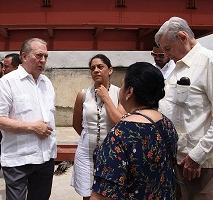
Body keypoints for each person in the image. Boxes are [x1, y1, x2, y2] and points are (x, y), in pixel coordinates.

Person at [90, 62, 178, 200]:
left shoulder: (120, 134)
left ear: (129, 92)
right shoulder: (167, 124)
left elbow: (103, 195)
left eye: (122, 85)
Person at [0, 38, 56, 200]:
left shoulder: (47, 83)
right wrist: (32, 127)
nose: (43, 60)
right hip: (18, 160)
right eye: (39, 55)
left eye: (46, 56)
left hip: (45, 158)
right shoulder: (7, 83)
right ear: (24, 57)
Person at [155, 16, 213, 200]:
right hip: (179, 161)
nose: (165, 54)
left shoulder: (208, 63)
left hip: (200, 166)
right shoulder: (178, 67)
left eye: (168, 48)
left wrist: (198, 155)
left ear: (182, 37)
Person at [71, 54, 125, 199]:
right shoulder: (83, 94)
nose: (96, 70)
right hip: (86, 153)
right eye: (92, 68)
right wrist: (89, 137)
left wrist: (106, 97)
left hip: (112, 154)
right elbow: (76, 124)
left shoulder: (120, 93)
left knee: (109, 194)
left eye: (100, 67)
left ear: (110, 70)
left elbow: (120, 123)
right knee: (87, 195)